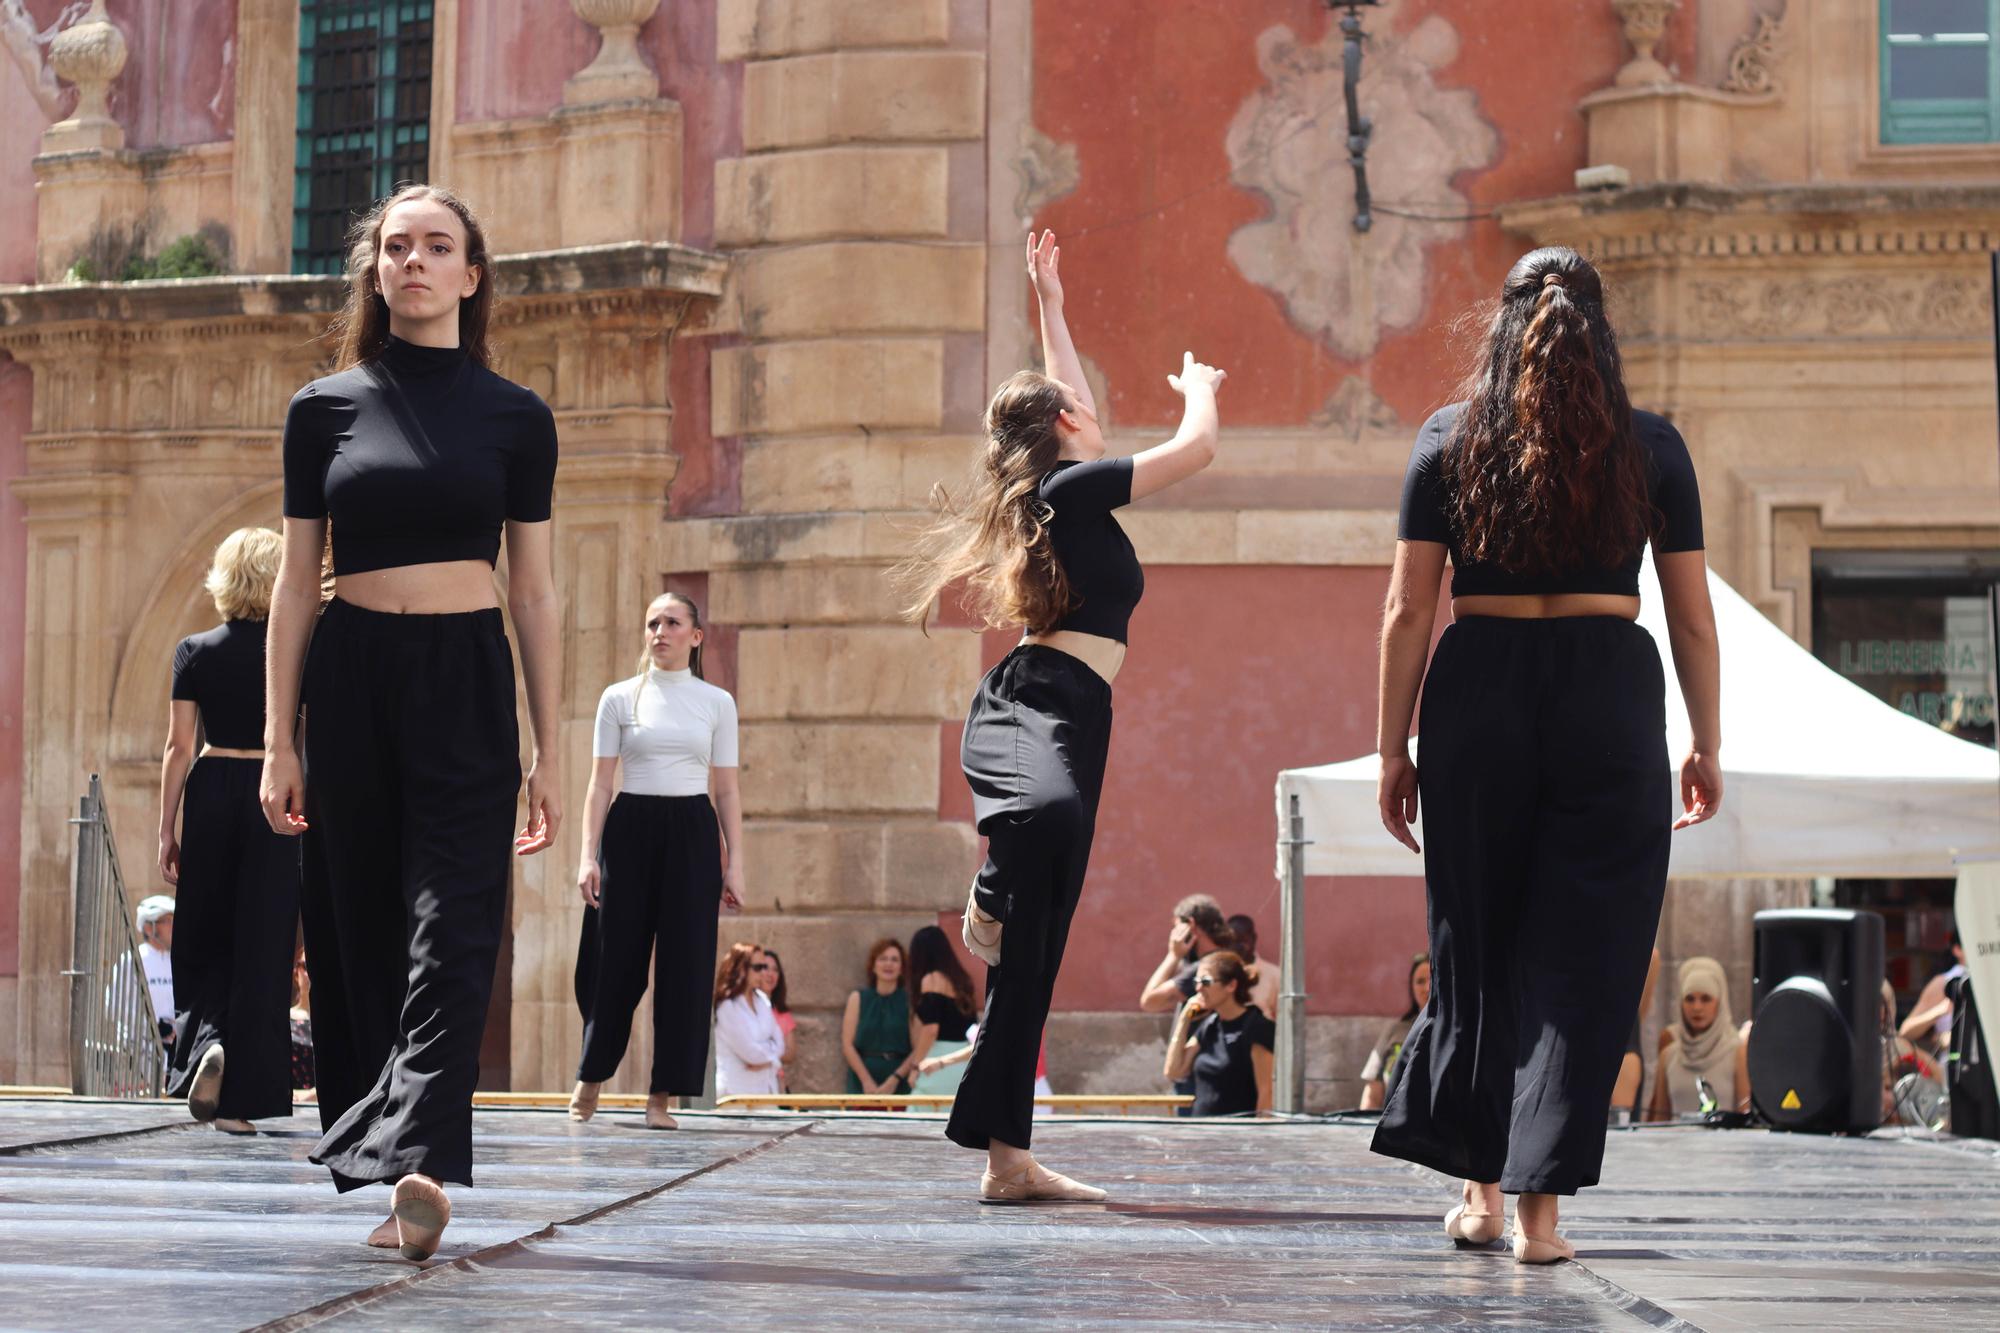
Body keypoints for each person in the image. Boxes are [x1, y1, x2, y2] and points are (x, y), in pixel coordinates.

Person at [1369, 246, 1722, 1265]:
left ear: (1502, 325)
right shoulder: (1649, 447)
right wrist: (1703, 740)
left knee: (1476, 947)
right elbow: (1691, 618)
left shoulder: (1448, 438)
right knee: (1581, 958)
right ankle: (1540, 1221)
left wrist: (1390, 747)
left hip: (1474, 686)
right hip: (1608, 691)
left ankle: (1479, 1197)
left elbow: (1404, 610)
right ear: (1599, 335)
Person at [262, 184, 564, 1261]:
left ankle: (426, 1156)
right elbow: (297, 584)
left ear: (471, 276)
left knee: (455, 923)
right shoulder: (322, 408)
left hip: (467, 681)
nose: (416, 263)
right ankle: (397, 1175)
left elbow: (531, 591)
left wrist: (549, 746)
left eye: (439, 248)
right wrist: (280, 738)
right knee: (361, 935)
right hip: (349, 679)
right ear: (375, 270)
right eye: (398, 248)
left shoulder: (516, 417)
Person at [899, 229, 1226, 1203]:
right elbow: (1197, 448)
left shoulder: (1061, 492)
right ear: (1065, 426)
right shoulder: (1074, 488)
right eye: (1079, 403)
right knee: (1045, 837)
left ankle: (1007, 1159)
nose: (1093, 406)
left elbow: (1058, 386)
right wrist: (1195, 382)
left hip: (1077, 711)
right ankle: (990, 888)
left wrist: (1050, 297)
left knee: (1038, 950)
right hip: (1031, 706)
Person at [569, 591, 743, 1130]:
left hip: (692, 830)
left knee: (686, 965)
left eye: (672, 622)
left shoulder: (717, 703)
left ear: (695, 636)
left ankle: (661, 1097)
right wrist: (586, 857)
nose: (659, 631)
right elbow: (599, 785)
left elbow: (728, 792)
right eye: (651, 623)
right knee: (613, 958)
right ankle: (590, 1077)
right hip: (629, 828)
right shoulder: (619, 698)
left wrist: (734, 862)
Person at [157, 527, 299, 1134]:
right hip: (272, 792)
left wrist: (166, 829)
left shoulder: (194, 649)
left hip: (211, 788)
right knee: (263, 944)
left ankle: (207, 1043)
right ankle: (240, 1100)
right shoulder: (295, 650)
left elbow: (177, 746)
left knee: (205, 932)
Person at [1165, 951, 1275, 1117]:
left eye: (1206, 981)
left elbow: (1266, 1094)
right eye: (1197, 981)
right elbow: (1174, 1071)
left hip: (1237, 1136)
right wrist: (1184, 1019)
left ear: (1231, 985)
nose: (1198, 988)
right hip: (1203, 1134)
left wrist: (1260, 1137)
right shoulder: (1210, 1026)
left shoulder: (1256, 1026)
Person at [1649, 956, 1748, 1120]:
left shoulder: (1737, 1052)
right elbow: (1660, 1119)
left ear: (1719, 1003)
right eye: (1689, 999)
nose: (1697, 1007)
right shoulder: (1669, 1055)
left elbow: (1745, 1117)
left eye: (1706, 999)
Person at [908, 925, 979, 1096]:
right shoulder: (960, 980)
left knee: (919, 1115)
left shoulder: (930, 979)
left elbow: (931, 1029)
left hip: (936, 1061)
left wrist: (915, 1066)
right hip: (962, 1059)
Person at [712, 944, 787, 1099]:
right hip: (735, 1096)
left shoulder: (763, 1000)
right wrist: (772, 1056)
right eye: (758, 967)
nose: (764, 973)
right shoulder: (727, 1006)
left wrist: (768, 1060)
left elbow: (780, 1043)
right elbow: (750, 1054)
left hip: (766, 1093)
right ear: (741, 968)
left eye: (765, 967)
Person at [842, 938, 915, 1095]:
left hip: (899, 1083)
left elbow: (918, 1048)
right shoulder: (858, 998)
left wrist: (894, 1080)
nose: (888, 964)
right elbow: (847, 1045)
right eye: (883, 959)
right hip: (862, 1082)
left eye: (894, 960)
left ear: (901, 968)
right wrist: (866, 1081)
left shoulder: (910, 1001)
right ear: (873, 965)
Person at [1359, 952, 1430, 1111]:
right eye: (1420, 981)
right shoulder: (1395, 1031)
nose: (1427, 987)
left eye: (1432, 979)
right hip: (1394, 1127)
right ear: (1411, 988)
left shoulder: (1455, 1032)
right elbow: (1372, 1093)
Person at [1139, 895, 1234, 1013]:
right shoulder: (1223, 958)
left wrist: (1173, 955)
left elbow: (1149, 1002)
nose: (1174, 934)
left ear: (1191, 924)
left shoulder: (1204, 968)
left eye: (1177, 927)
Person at [1899, 930, 1967, 1059]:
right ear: (1957, 949)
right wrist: (1939, 1011)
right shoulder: (1943, 983)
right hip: (1953, 1067)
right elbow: (1905, 1032)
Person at [131, 895, 177, 1043]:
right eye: (167, 921)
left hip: (176, 1053)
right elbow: (114, 1005)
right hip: (142, 1052)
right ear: (149, 928)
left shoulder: (178, 960)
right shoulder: (134, 960)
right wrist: (153, 1026)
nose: (173, 926)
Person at [1227, 912, 1280, 1019]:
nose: (1238, 947)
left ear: (1254, 939)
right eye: (1233, 941)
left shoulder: (1274, 975)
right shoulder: (1221, 974)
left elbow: (1283, 1018)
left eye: (1243, 941)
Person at [758, 947, 795, 1091]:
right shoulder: (744, 1008)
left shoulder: (783, 1013)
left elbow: (791, 1053)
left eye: (775, 970)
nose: (770, 974)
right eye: (765, 968)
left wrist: (762, 1052)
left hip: (777, 1083)